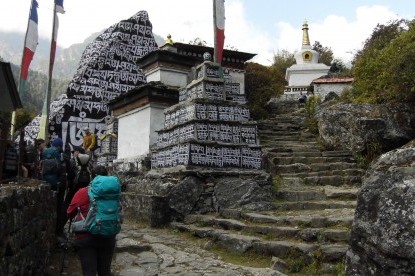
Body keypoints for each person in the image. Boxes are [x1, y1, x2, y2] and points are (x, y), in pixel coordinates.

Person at [67, 166, 117, 276]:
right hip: (108, 234)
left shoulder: (83, 192)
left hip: (86, 236)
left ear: (91, 177)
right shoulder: (113, 193)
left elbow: (69, 212)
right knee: (105, 271)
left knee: (89, 272)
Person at [41, 137, 67, 237]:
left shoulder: (45, 152)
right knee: (58, 207)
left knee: (46, 206)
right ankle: (58, 231)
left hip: (45, 182)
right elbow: (63, 168)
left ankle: (45, 228)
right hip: (57, 184)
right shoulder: (60, 154)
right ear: (60, 146)